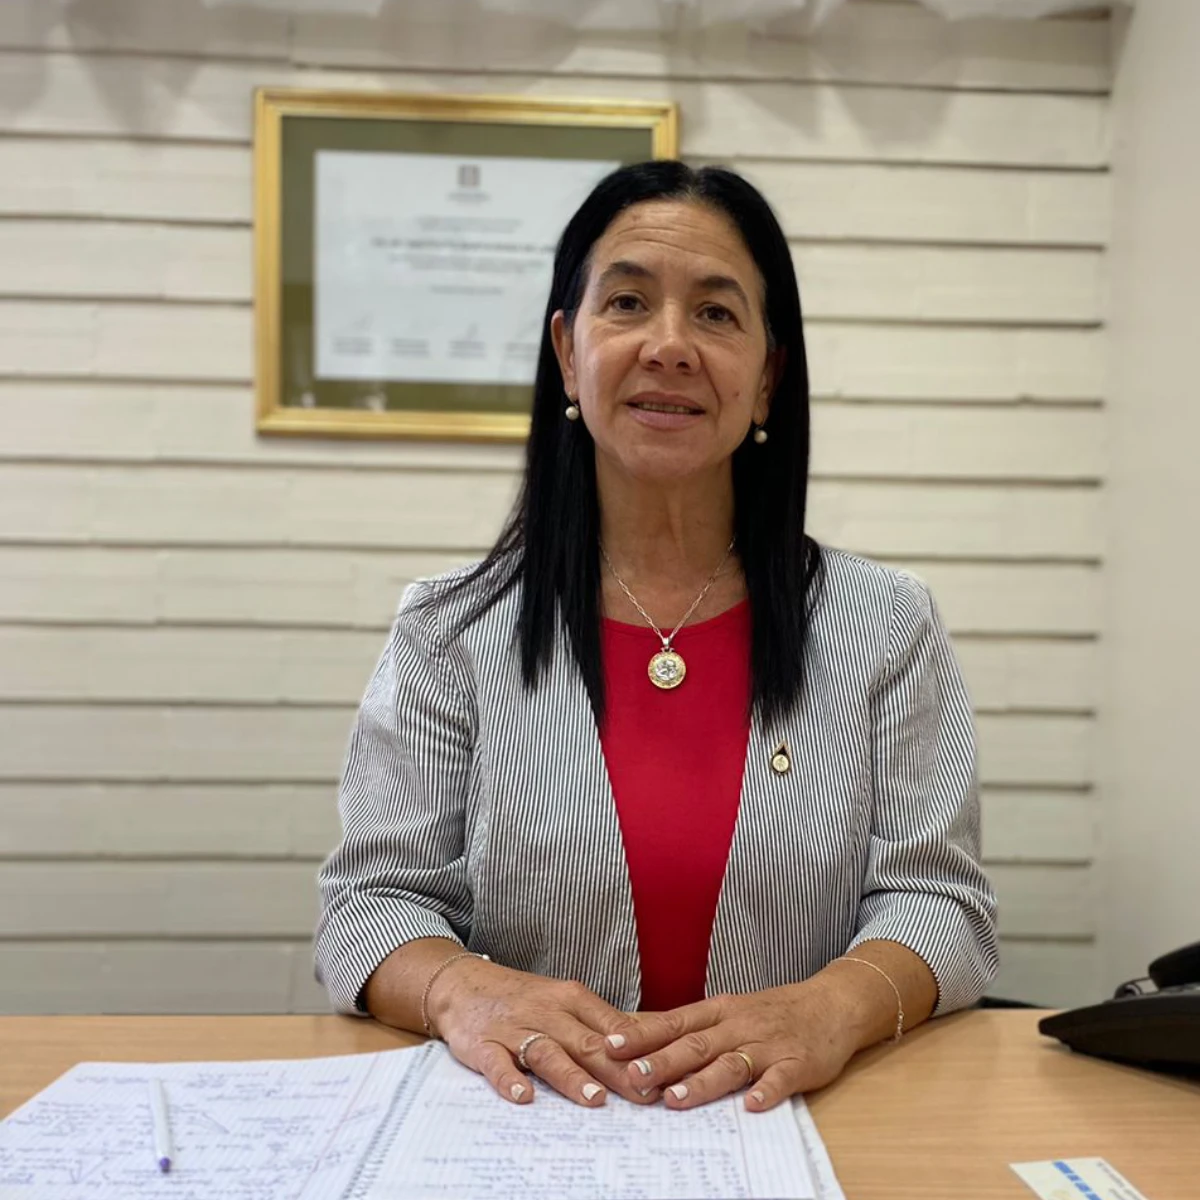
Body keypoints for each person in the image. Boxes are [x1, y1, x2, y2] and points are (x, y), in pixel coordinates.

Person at [314, 160, 998, 1114]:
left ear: (768, 378)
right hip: (532, 1125)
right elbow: (370, 904)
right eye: (628, 302)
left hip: (800, 1124)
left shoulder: (886, 625)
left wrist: (828, 1010)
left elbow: (941, 903)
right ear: (568, 352)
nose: (669, 346)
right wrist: (461, 989)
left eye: (716, 313)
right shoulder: (449, 632)